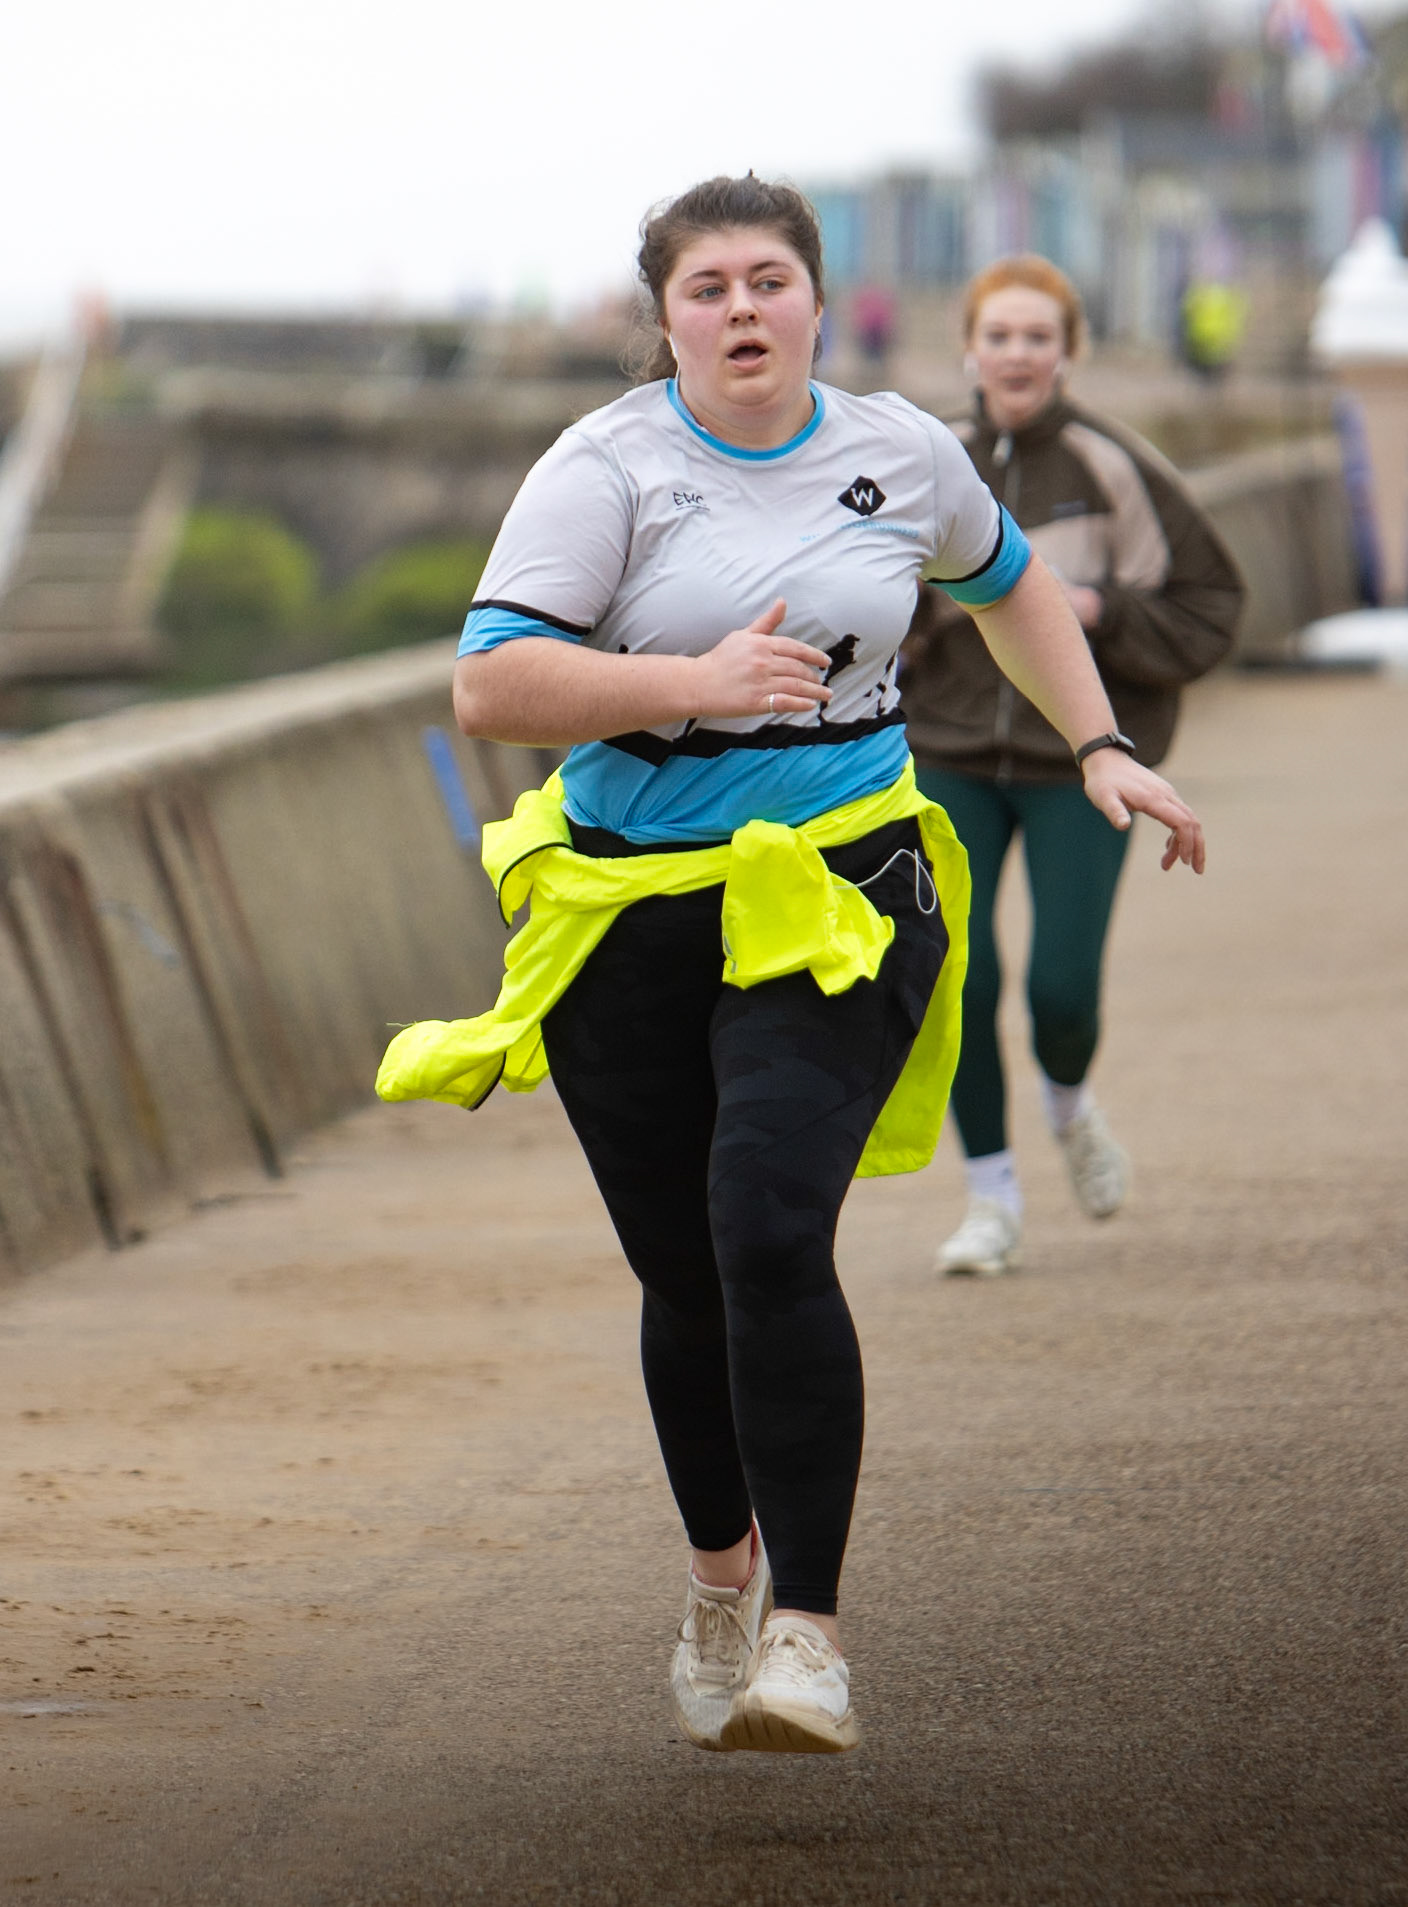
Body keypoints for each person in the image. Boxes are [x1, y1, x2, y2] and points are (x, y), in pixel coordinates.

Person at [378, 182, 1204, 1755]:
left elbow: (1010, 583)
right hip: (630, 906)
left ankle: (807, 1635)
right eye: (708, 287)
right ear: (666, 317)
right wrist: (686, 679)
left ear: (821, 302)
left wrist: (1099, 741)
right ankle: (719, 1579)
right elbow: (491, 684)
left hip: (840, 886)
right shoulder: (605, 465)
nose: (742, 309)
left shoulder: (901, 451)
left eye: (769, 280)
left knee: (765, 1226)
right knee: (684, 1272)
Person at [898, 255, 1243, 1278]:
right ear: (968, 348)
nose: (1016, 354)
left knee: (1059, 988)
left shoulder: (1113, 464)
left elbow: (1211, 607)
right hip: (944, 753)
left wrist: (1094, 609)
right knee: (957, 975)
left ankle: (1069, 1104)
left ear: (1067, 351)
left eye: (1037, 337)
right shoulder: (926, 461)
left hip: (1074, 765)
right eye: (997, 335)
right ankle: (990, 1196)